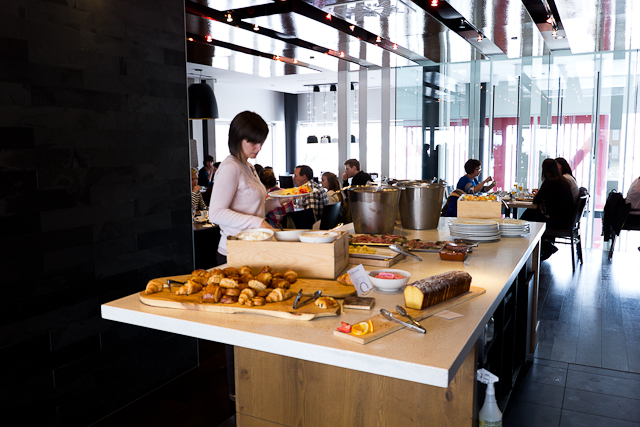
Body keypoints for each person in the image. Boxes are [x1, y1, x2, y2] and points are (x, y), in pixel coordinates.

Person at [209, 111, 286, 265]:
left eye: (261, 142)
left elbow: (254, 208)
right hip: (235, 251)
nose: (259, 148)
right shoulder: (230, 167)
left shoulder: (248, 166)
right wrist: (257, 223)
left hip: (253, 247)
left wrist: (279, 200)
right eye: (253, 142)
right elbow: (215, 214)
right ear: (237, 139)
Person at [521, 159, 574, 260]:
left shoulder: (550, 180)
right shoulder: (562, 180)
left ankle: (545, 247)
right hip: (566, 219)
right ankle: (546, 245)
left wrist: (539, 194)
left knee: (527, 220)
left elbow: (536, 200)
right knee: (530, 214)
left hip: (558, 221)